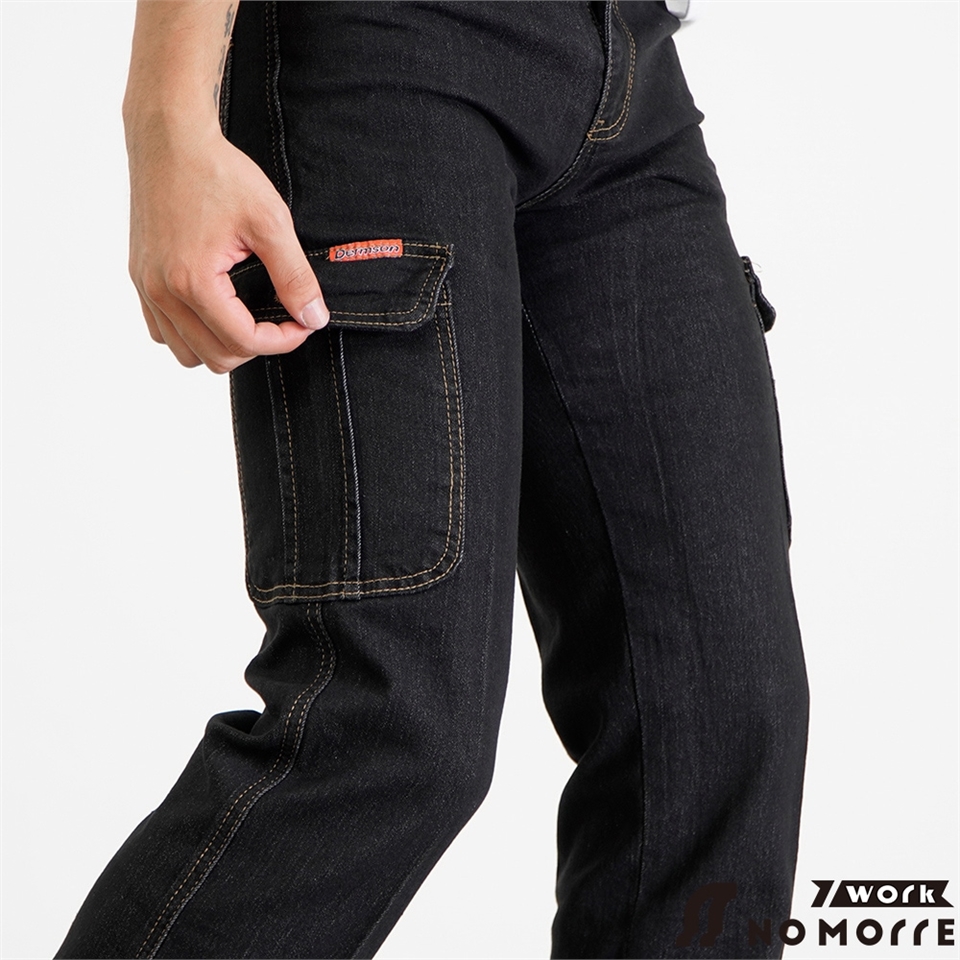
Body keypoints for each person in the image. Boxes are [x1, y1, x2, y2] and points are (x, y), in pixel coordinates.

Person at [55, 1, 808, 957]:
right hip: (387, 46)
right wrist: (166, 117)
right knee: (391, 721)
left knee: (720, 718)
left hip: (628, 67)